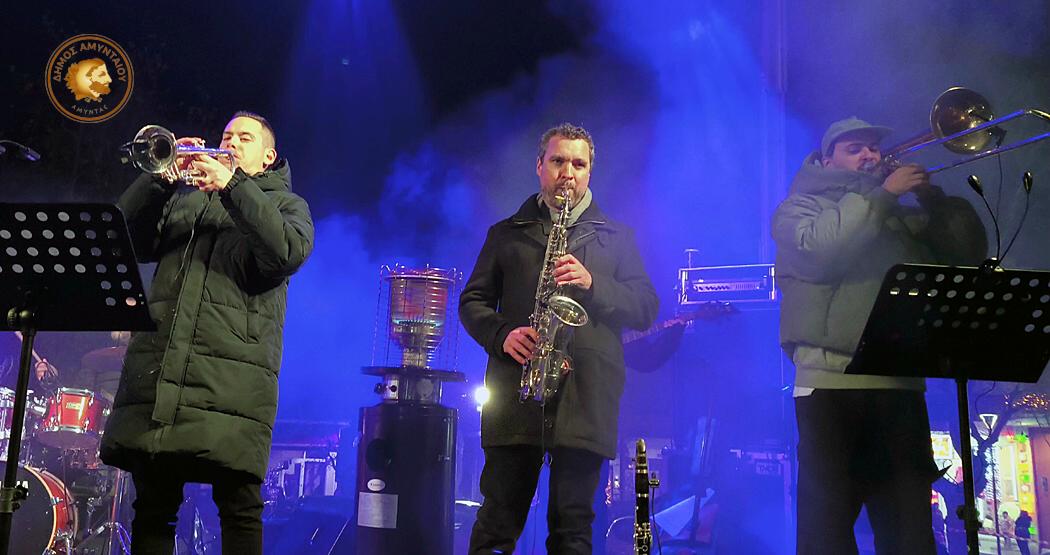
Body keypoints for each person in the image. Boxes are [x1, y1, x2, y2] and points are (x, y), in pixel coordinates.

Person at [100, 111, 314, 554]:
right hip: (162, 376)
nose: (231, 142)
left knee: (239, 508)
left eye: (245, 138)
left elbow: (284, 253)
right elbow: (126, 236)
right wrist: (160, 179)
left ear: (268, 156)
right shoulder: (186, 200)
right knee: (153, 508)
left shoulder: (287, 205)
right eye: (227, 135)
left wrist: (232, 186)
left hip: (232, 383)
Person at [772, 117, 987, 554]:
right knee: (827, 532)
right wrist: (884, 195)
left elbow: (967, 254)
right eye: (854, 148)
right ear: (826, 160)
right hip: (830, 384)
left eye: (872, 147)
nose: (869, 155)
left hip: (901, 382)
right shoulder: (798, 208)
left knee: (909, 532)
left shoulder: (899, 215)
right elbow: (822, 252)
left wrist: (933, 200)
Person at [460, 123, 658, 554]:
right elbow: (472, 302)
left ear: (590, 172)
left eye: (578, 164)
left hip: (585, 401)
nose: (568, 172)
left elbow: (646, 307)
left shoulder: (617, 238)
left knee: (573, 533)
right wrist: (501, 334)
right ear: (540, 166)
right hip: (516, 396)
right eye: (558, 161)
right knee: (496, 527)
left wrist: (593, 283)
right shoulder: (506, 233)